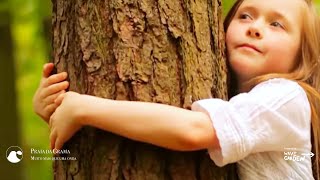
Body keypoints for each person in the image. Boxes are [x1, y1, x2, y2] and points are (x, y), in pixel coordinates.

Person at [33, 0, 320, 179]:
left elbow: (193, 131)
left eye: (277, 24)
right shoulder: (233, 98)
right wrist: (56, 104)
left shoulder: (287, 97)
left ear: (302, 56)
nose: (255, 28)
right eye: (245, 16)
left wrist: (83, 108)